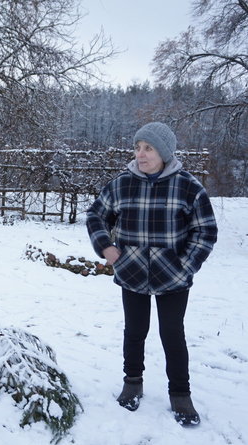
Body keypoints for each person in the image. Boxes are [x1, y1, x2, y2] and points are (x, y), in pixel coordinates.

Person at [86, 122, 217, 427]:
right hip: (131, 274)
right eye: (137, 147)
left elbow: (205, 231)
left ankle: (180, 394)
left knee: (172, 334)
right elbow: (96, 215)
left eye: (148, 148)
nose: (140, 154)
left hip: (173, 278)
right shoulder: (122, 184)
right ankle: (132, 382)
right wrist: (105, 247)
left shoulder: (188, 187)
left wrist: (185, 266)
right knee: (135, 331)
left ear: (165, 153)